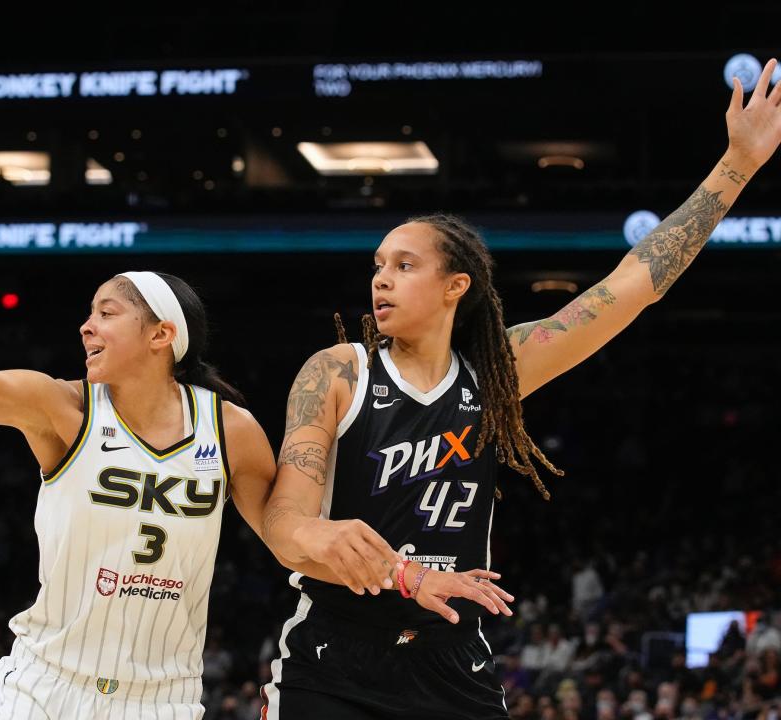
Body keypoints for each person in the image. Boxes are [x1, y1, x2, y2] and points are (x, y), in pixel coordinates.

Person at [259, 60, 781, 719]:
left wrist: (737, 164)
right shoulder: (337, 372)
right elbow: (283, 524)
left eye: (404, 264)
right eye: (377, 266)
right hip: (334, 659)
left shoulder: (498, 367)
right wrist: (329, 545)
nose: (381, 279)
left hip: (451, 661)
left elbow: (630, 287)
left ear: (457, 286)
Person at [0, 191, 278, 719]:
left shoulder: (229, 430)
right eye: (88, 314)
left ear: (161, 335)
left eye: (106, 313)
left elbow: (289, 538)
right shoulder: (63, 409)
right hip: (46, 689)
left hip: (162, 700)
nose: (86, 327)